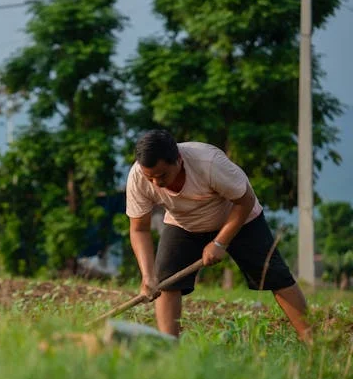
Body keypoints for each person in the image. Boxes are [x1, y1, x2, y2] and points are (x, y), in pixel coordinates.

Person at [125, 129, 312, 343]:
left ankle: (316, 343)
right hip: (183, 222)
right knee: (165, 281)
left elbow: (246, 200)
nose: (157, 183)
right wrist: (148, 276)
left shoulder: (209, 163)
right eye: (151, 178)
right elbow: (139, 229)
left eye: (162, 175)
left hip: (238, 217)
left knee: (276, 276)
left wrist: (220, 242)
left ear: (178, 159)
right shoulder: (138, 178)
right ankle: (168, 348)